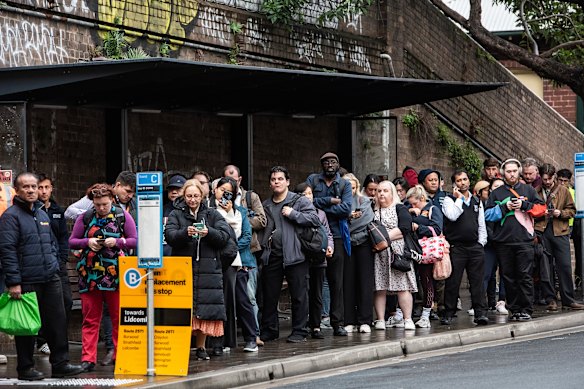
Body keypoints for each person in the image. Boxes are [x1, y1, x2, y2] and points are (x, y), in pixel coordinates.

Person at [0, 172, 84, 380]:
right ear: (17, 191)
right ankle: (26, 368)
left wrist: (55, 265)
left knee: (57, 321)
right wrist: (13, 282)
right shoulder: (10, 217)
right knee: (27, 325)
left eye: (33, 187)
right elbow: (7, 250)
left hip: (50, 277)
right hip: (26, 279)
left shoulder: (42, 214)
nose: (30, 190)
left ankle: (61, 363)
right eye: (25, 187)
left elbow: (52, 244)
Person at [65, 171, 136, 367]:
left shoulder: (123, 216)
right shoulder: (86, 217)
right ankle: (88, 359)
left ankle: (119, 354)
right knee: (90, 318)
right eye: (97, 205)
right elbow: (72, 242)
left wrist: (118, 242)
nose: (102, 208)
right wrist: (88, 242)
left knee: (117, 317)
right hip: (90, 275)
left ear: (112, 199)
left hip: (116, 274)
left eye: (105, 204)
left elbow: (134, 240)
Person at [165, 179, 232, 360]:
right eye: (189, 196)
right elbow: (170, 236)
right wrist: (185, 232)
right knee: (183, 309)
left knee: (204, 308)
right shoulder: (175, 214)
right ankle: (182, 347)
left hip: (207, 268)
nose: (192, 200)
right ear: (183, 196)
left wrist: (208, 232)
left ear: (202, 196)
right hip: (183, 267)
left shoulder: (212, 214)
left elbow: (224, 236)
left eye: (195, 196)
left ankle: (201, 347)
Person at [259, 166, 320, 343]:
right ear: (270, 183)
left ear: (288, 182)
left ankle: (300, 331)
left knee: (299, 295)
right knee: (269, 295)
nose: (276, 182)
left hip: (296, 254)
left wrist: (293, 214)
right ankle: (270, 330)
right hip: (273, 255)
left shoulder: (299, 201)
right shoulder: (265, 205)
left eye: (280, 179)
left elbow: (314, 219)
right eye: (273, 179)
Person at [485, 158, 543, 321]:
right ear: (503, 174)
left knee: (524, 275)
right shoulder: (496, 193)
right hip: (503, 242)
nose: (511, 174)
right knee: (508, 276)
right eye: (508, 171)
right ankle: (515, 309)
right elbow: (487, 215)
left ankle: (526, 309)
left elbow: (542, 209)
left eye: (514, 171)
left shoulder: (528, 190)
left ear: (519, 172)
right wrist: (505, 207)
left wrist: (525, 206)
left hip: (524, 241)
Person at [210, 176, 259, 353]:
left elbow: (246, 235)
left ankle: (251, 337)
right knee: (219, 302)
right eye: (221, 190)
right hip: (215, 262)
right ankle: (221, 341)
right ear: (214, 190)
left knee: (242, 299)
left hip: (238, 261)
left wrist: (229, 248)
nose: (224, 194)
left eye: (228, 192)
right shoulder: (208, 210)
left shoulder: (241, 212)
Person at [306, 152, 352, 337]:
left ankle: (337, 322)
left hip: (338, 236)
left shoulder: (344, 184)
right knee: (316, 282)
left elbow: (346, 209)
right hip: (316, 236)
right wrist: (330, 201)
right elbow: (307, 202)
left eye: (333, 161)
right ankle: (315, 324)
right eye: (326, 162)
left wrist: (320, 207)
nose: (330, 165)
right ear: (321, 165)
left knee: (336, 282)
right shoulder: (313, 180)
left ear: (338, 164)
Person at [222, 164, 267, 347]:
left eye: (233, 179)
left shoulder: (249, 198)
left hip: (246, 255)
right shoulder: (213, 207)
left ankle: (253, 335)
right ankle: (226, 340)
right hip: (225, 259)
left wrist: (239, 219)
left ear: (239, 180)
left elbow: (260, 221)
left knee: (247, 297)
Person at [440, 170, 488, 326]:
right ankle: (449, 312)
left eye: (465, 179)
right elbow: (452, 215)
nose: (462, 182)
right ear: (454, 184)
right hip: (457, 247)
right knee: (453, 282)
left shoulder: (476, 201)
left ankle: (480, 313)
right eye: (459, 180)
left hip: (475, 247)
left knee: (477, 282)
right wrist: (459, 199)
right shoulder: (448, 200)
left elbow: (481, 224)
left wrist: (481, 243)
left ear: (469, 181)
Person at [534, 164, 584, 311]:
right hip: (542, 231)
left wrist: (560, 213)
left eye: (550, 179)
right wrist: (540, 213)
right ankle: (551, 299)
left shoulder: (563, 190)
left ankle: (568, 299)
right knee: (546, 268)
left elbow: (572, 210)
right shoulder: (535, 191)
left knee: (565, 266)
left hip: (560, 230)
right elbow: (530, 210)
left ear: (554, 176)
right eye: (544, 179)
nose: (547, 182)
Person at [35, 173, 73, 355]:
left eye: (46, 187)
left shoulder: (57, 210)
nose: (43, 191)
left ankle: (55, 339)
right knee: (41, 304)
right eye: (40, 187)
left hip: (58, 265)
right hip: (40, 265)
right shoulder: (33, 210)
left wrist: (63, 259)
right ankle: (42, 340)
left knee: (66, 302)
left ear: (51, 189)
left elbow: (63, 237)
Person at [373, 181, 417, 331]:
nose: (382, 194)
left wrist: (383, 238)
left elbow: (405, 227)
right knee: (380, 287)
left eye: (385, 190)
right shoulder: (372, 210)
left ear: (392, 193)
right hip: (379, 255)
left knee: (402, 287)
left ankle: (407, 319)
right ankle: (380, 319)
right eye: (379, 191)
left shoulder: (400, 208)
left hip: (397, 253)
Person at [292, 182, 333, 339]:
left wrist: (329, 246)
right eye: (303, 194)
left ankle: (316, 326)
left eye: (309, 194)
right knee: (301, 292)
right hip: (301, 256)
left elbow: (327, 233)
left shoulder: (320, 213)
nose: (307, 197)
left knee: (317, 291)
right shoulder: (293, 213)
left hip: (318, 256)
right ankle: (301, 325)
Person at [406, 184, 444, 328]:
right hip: (415, 250)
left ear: (422, 198)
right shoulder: (415, 211)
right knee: (414, 281)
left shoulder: (433, 209)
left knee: (427, 282)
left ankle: (426, 315)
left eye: (415, 202)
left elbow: (437, 229)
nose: (413, 206)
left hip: (426, 251)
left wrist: (418, 227)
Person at [342, 173, 375, 333]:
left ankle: (365, 320)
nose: (351, 190)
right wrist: (349, 218)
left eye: (353, 187)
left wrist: (346, 221)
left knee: (365, 283)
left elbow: (365, 221)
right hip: (346, 246)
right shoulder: (338, 201)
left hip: (364, 244)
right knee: (347, 283)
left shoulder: (365, 201)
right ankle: (349, 320)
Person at [476, 178, 508, 314]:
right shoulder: (484, 203)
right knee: (486, 273)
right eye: (496, 186)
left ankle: (502, 301)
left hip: (505, 242)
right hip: (490, 243)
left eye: (501, 186)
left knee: (505, 274)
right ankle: (479, 303)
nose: (498, 188)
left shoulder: (509, 201)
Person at [557, 168, 582, 290]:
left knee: (576, 254)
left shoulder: (573, 192)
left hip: (572, 225)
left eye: (565, 181)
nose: (562, 183)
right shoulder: (555, 191)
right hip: (560, 225)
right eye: (560, 180)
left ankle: (578, 281)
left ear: (569, 181)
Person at [163, 174, 187, 256]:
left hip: (183, 255)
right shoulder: (161, 210)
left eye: (178, 189)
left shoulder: (189, 209)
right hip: (164, 254)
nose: (174, 192)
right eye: (171, 189)